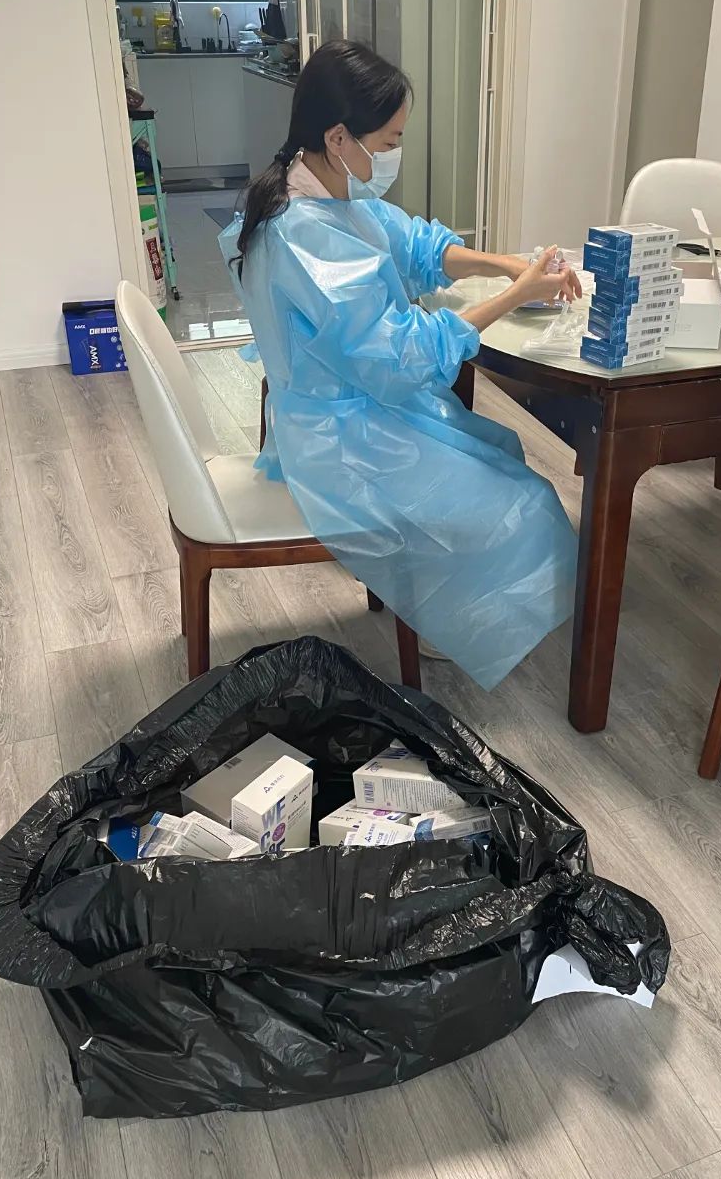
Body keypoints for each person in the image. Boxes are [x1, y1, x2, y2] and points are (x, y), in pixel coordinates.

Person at [220, 39, 579, 690]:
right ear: (338, 138)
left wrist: (505, 265)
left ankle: (449, 607)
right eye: (388, 142)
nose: (392, 154)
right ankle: (450, 617)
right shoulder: (304, 235)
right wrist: (515, 295)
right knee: (522, 498)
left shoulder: (328, 195)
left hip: (362, 409)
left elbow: (414, 245)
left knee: (500, 453)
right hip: (343, 440)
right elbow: (402, 356)